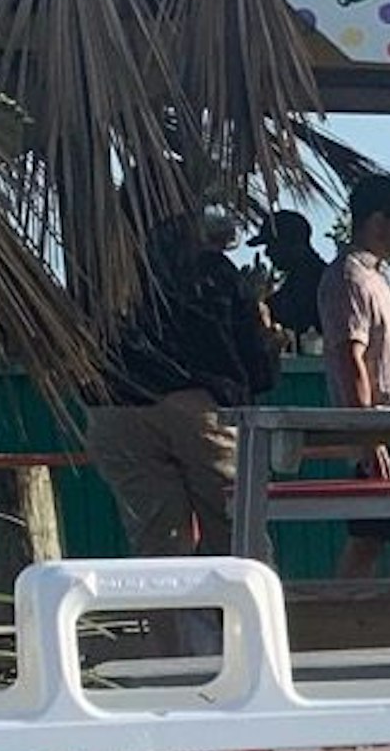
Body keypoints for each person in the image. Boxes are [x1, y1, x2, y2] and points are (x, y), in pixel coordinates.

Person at [88, 211, 276, 562]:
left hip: (113, 405)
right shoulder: (210, 270)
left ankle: (170, 617)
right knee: (235, 531)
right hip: (195, 401)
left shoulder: (108, 268)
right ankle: (244, 616)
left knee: (157, 540)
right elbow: (254, 361)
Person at [319, 175, 390, 578]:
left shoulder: (376, 276)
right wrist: (370, 435)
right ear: (376, 221)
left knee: (368, 540)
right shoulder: (349, 277)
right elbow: (352, 358)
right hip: (386, 426)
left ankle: (338, 623)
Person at [256, 209, 331, 347]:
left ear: (289, 243)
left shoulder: (315, 280)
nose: (267, 252)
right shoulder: (301, 277)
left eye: (271, 244)